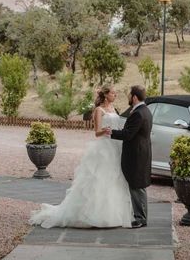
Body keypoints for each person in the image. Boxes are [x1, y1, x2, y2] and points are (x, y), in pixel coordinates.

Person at [29, 85, 133, 228]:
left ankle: (113, 215)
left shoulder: (114, 109)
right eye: (113, 93)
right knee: (99, 179)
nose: (115, 95)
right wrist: (106, 131)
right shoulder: (98, 110)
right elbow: (96, 132)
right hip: (104, 147)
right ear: (106, 95)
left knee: (115, 179)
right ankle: (92, 214)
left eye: (115, 93)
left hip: (115, 147)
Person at [103, 85, 152, 228]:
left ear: (135, 97)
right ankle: (141, 216)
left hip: (136, 155)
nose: (128, 98)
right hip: (142, 152)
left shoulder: (138, 113)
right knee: (138, 186)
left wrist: (111, 132)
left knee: (137, 186)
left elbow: (128, 134)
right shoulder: (145, 110)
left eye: (130, 95)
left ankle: (141, 218)